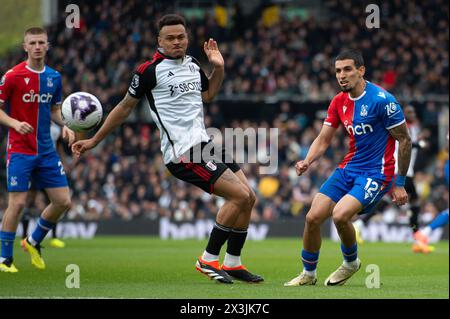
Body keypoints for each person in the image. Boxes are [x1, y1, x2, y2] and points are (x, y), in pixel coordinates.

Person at [72, 14, 263, 284]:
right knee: (239, 197)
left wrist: (218, 68)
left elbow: (208, 96)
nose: (176, 42)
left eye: (181, 37)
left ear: (187, 38)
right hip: (183, 151)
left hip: (204, 143)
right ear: (159, 40)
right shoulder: (148, 71)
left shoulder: (193, 64)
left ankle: (232, 262)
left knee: (250, 197)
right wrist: (94, 140)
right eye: (170, 38)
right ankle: (208, 259)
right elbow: (125, 107)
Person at [285, 50, 411, 286]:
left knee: (340, 215)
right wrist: (307, 161)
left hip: (377, 172)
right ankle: (308, 274)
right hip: (349, 168)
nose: (341, 76)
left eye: (347, 70)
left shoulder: (384, 101)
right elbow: (323, 140)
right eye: (337, 71)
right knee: (312, 218)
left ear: (361, 70)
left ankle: (351, 262)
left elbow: (405, 139)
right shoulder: (338, 101)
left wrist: (400, 183)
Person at [0, 27, 75, 273]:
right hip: (20, 149)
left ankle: (32, 241)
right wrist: (14, 123)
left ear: (47, 45)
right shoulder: (12, 76)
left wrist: (67, 126)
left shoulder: (54, 77)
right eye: (32, 43)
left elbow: (55, 110)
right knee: (18, 203)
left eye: (41, 42)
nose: (37, 47)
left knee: (63, 201)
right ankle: (4, 259)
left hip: (46, 150)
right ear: (25, 46)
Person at [352, 105, 427, 246]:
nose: (413, 114)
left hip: (407, 171)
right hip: (398, 171)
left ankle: (416, 236)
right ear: (403, 114)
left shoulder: (414, 128)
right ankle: (417, 236)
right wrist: (420, 144)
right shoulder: (400, 126)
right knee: (409, 202)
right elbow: (408, 143)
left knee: (403, 201)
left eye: (413, 112)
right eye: (409, 112)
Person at [20, 122, 67, 249]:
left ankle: (55, 237)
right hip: (35, 166)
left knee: (54, 202)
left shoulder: (57, 128)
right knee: (29, 201)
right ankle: (24, 235)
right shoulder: (36, 122)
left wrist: (62, 163)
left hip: (49, 166)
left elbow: (58, 147)